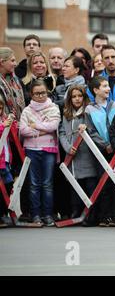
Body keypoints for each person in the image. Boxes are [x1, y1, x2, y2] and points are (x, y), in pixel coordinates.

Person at [19, 79, 60, 226]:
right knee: (34, 184)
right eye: (37, 94)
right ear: (31, 94)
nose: (40, 96)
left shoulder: (54, 108)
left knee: (47, 183)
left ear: (47, 92)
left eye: (43, 93)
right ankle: (36, 215)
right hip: (31, 150)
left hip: (48, 149)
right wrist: (43, 130)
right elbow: (23, 130)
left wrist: (34, 126)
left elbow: (54, 125)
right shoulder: (26, 110)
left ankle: (48, 215)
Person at [85, 76, 115, 227]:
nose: (108, 89)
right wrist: (104, 144)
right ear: (95, 90)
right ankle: (105, 215)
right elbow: (91, 131)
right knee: (103, 182)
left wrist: (114, 144)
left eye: (108, 86)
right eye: (104, 86)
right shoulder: (89, 109)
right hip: (101, 151)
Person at [59, 85, 99, 225]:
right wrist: (67, 147)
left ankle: (91, 216)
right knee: (75, 188)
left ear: (84, 97)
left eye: (79, 96)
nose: (77, 99)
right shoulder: (66, 114)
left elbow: (94, 129)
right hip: (72, 156)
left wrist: (86, 127)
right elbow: (62, 133)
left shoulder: (88, 112)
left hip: (87, 156)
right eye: (74, 96)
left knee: (90, 186)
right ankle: (76, 214)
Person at [0, 97, 16, 227]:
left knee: (8, 185)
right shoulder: (2, 123)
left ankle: (4, 213)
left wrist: (12, 124)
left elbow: (12, 136)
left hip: (5, 159)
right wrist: (2, 126)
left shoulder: (4, 119)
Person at [0, 47, 25, 118]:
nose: (15, 64)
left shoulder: (15, 80)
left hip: (18, 124)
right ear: (2, 62)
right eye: (12, 60)